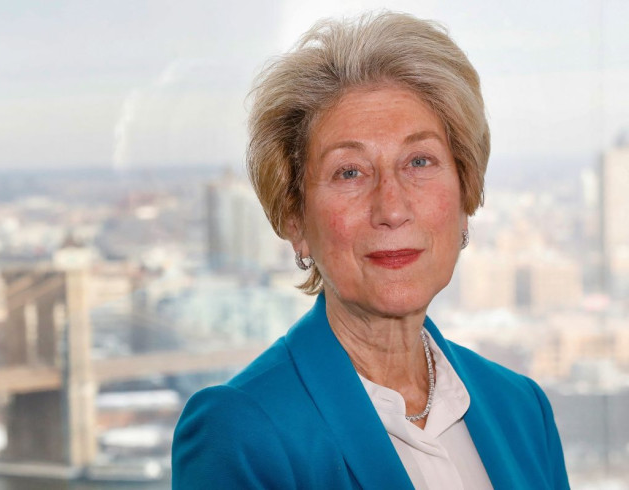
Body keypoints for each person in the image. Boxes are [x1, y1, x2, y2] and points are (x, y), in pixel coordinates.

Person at [172, 11, 570, 490]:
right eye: (350, 172)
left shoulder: (521, 408)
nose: (392, 207)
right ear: (295, 219)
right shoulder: (239, 432)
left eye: (419, 161)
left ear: (465, 197)